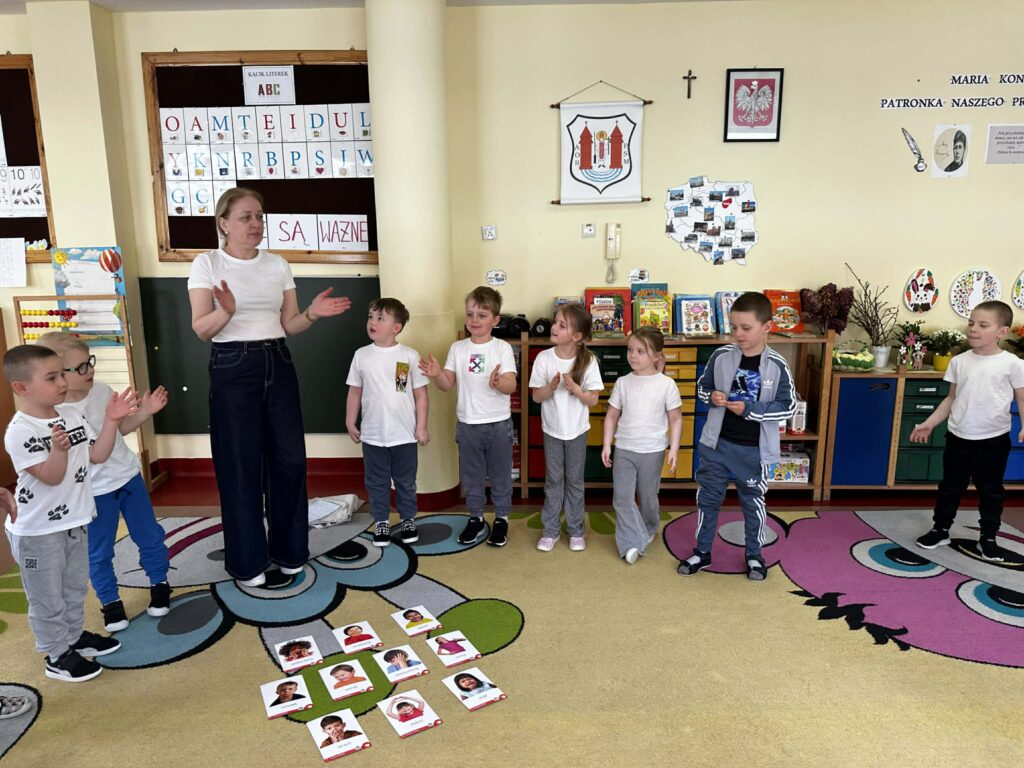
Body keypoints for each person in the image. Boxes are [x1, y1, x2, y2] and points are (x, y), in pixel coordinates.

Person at [187, 188, 352, 588]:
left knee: (289, 461)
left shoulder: (278, 264)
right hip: (231, 365)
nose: (255, 224)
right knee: (240, 466)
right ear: (224, 223)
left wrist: (312, 313)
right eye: (245, 217)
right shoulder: (207, 263)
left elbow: (289, 325)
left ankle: (290, 552)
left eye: (259, 216)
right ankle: (247, 563)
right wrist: (227, 311)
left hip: (277, 361)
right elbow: (201, 329)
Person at [2, 345, 134, 681]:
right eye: (52, 378)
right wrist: (59, 450)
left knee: (74, 586)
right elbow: (51, 476)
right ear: (21, 387)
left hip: (75, 520)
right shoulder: (21, 430)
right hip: (37, 531)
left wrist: (112, 421)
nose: (62, 382)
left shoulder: (71, 415)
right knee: (47, 597)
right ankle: (56, 654)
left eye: (62, 374)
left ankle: (73, 638)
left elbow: (98, 455)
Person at [37, 333, 172, 633]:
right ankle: (110, 601)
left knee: (149, 536)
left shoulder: (101, 391)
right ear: (57, 374)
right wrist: (111, 421)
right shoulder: (54, 415)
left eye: (90, 362)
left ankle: (159, 583)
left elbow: (120, 429)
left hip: (128, 478)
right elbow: (94, 456)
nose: (90, 370)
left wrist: (145, 412)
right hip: (92, 492)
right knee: (98, 551)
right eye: (81, 367)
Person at [678, 292, 796, 581]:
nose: (738, 334)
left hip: (753, 451)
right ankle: (702, 551)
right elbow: (703, 389)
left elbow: (788, 406)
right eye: (734, 327)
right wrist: (712, 397)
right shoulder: (721, 356)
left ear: (766, 327)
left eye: (746, 328)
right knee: (708, 499)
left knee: (752, 503)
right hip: (716, 445)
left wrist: (750, 410)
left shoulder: (777, 365)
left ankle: (754, 555)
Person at [913, 301, 1024, 561]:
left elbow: (1022, 398)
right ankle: (940, 530)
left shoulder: (1013, 364)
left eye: (983, 325)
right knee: (950, 487)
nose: (973, 329)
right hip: (958, 437)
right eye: (971, 323)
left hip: (993, 440)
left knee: (991, 491)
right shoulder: (959, 362)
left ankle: (988, 538)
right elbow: (951, 398)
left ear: (1002, 332)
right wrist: (930, 422)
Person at [419, 286, 518, 547]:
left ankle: (502, 518)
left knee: (500, 475)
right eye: (470, 314)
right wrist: (436, 374)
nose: (474, 320)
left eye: (482, 315)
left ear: (495, 320)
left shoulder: (502, 348)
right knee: (472, 477)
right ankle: (475, 517)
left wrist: (498, 382)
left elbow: (511, 385)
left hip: (498, 424)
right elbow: (446, 384)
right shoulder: (458, 348)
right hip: (468, 425)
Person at [346, 298, 429, 547]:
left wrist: (421, 427)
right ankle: (381, 521)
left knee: (406, 481)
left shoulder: (408, 356)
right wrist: (350, 421)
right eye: (371, 317)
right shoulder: (361, 355)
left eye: (380, 318)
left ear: (396, 327)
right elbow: (354, 391)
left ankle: (407, 519)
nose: (372, 322)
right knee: (376, 482)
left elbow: (420, 395)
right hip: (373, 435)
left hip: (404, 435)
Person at [602, 327, 683, 565]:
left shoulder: (666, 384)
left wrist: (674, 448)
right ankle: (631, 542)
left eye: (640, 351)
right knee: (622, 498)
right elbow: (612, 415)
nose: (633, 356)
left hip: (653, 450)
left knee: (648, 496)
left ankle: (649, 527)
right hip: (624, 449)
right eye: (630, 350)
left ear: (656, 356)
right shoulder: (623, 382)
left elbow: (676, 418)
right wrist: (607, 444)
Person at [529, 303, 602, 552]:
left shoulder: (588, 361)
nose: (554, 328)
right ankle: (550, 530)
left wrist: (576, 390)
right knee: (553, 480)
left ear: (577, 336)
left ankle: (576, 530)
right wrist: (550, 388)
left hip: (577, 431)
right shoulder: (544, 358)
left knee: (574, 482)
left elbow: (593, 400)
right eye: (555, 322)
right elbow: (536, 397)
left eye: (562, 325)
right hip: (552, 430)